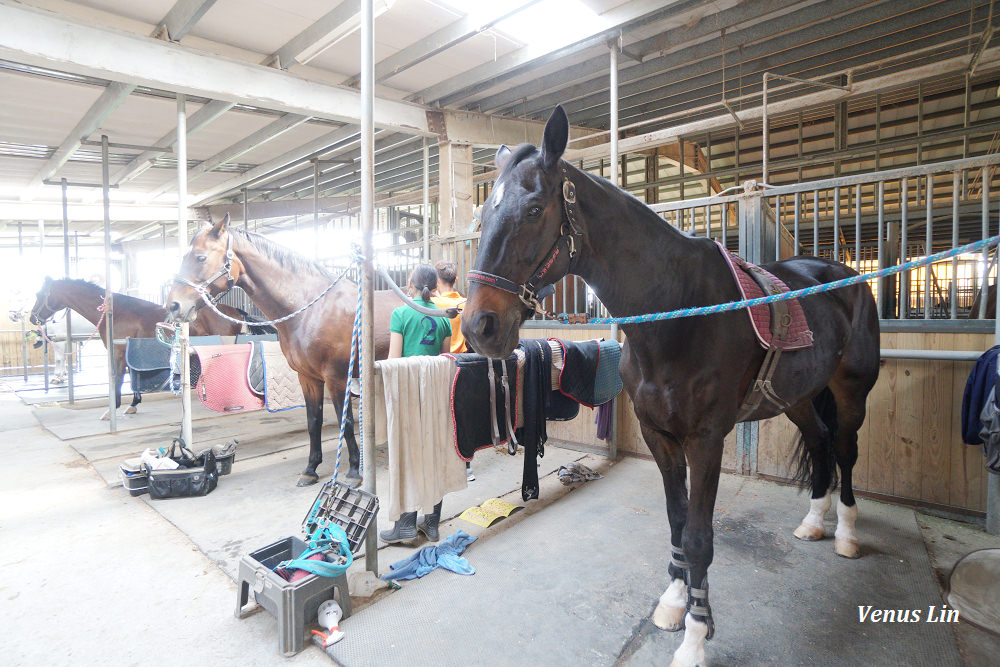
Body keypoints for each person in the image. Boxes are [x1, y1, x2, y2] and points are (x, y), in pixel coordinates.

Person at [380, 264, 452, 545]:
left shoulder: (400, 313)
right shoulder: (444, 318)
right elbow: (443, 361)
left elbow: (394, 360)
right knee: (434, 456)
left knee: (408, 458)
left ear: (409, 285)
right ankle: (432, 525)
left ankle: (407, 525)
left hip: (408, 394)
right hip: (435, 395)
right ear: (434, 287)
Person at [431, 260, 478, 482]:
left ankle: (441, 463)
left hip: (440, 363)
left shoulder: (430, 304)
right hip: (464, 363)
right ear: (456, 280)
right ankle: (466, 465)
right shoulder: (467, 303)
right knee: (463, 415)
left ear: (436, 282)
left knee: (441, 415)